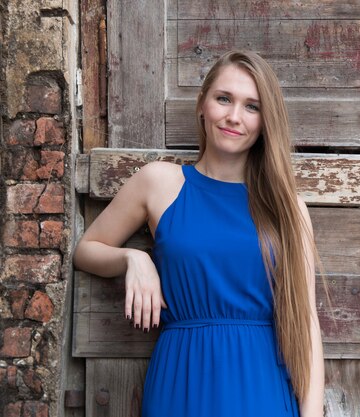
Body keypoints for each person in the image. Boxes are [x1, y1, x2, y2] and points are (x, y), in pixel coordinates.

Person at [73, 50, 324, 416]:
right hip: (181, 377)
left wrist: (312, 412)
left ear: (266, 120)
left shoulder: (287, 208)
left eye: (252, 107)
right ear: (202, 105)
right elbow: (86, 249)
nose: (234, 116)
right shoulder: (159, 182)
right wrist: (134, 258)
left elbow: (305, 320)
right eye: (224, 99)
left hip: (260, 382)